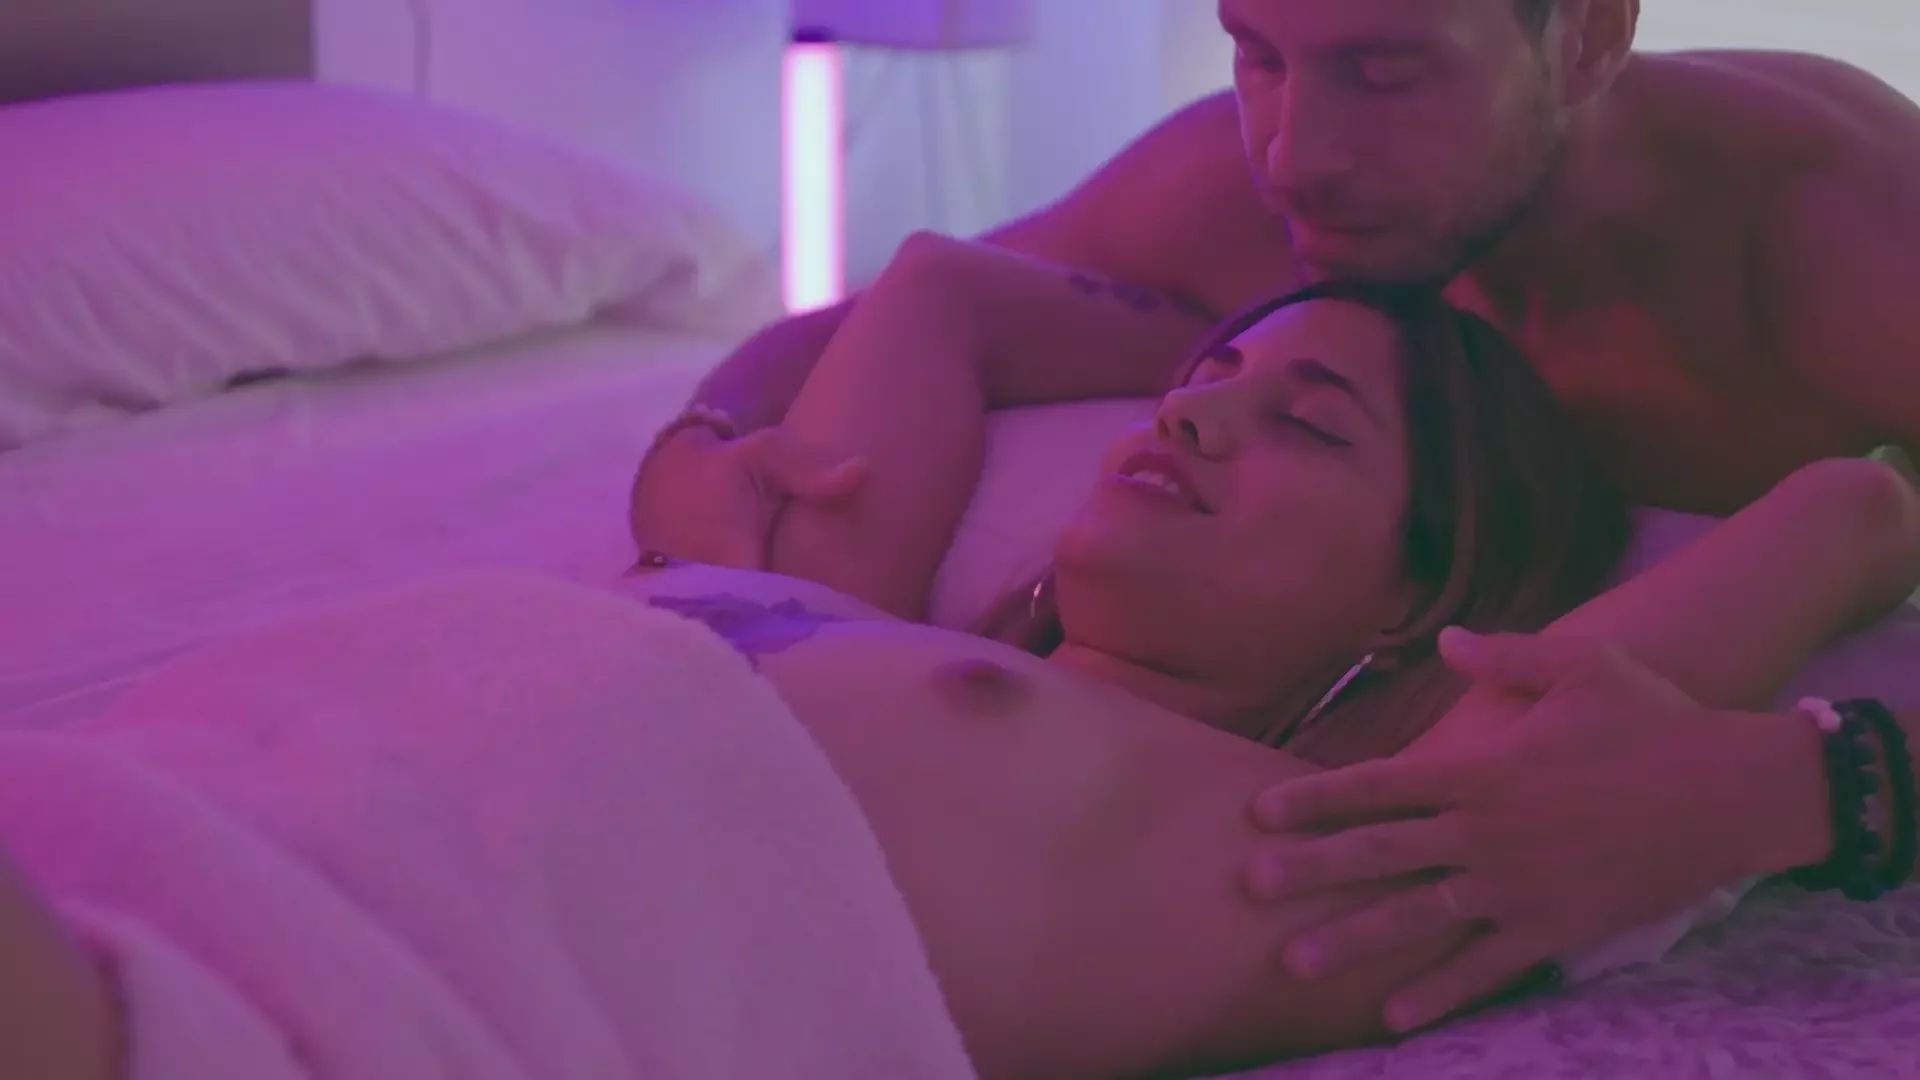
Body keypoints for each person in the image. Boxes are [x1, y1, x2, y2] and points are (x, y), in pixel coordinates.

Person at [7, 258, 1917, 1079]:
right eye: (1201, 385)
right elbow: (937, 284)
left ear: (1425, 599)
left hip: (293, 982)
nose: (1192, 418)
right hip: (174, 803)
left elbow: (1852, 505)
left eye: (1308, 425)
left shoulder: (1374, 837)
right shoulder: (859, 606)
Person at [625, 0, 1920, 1033]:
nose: (1296, 153)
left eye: (1388, 71)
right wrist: (703, 438)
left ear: (1587, 34)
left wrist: (1796, 786)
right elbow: (873, 318)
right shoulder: (1238, 193)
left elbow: (1858, 522)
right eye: (1257, 52)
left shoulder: (1848, 249)